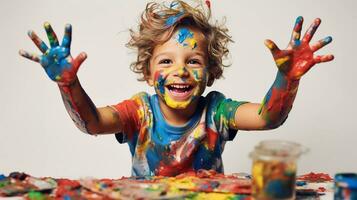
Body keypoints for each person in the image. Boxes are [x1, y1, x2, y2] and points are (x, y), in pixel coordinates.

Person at [19, 0, 334, 176]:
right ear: (147, 72)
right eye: (166, 61)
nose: (180, 71)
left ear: (210, 73)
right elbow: (92, 123)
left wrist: (287, 78)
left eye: (194, 61)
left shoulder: (217, 111)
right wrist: (69, 84)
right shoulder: (139, 111)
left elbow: (268, 117)